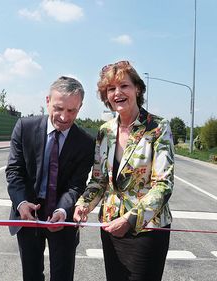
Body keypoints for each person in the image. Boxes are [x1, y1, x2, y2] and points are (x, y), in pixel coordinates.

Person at [73, 60, 175, 281]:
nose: (117, 93)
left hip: (146, 229)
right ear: (106, 96)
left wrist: (130, 219)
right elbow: (99, 181)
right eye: (111, 89)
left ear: (137, 89)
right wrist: (83, 204)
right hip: (111, 227)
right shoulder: (105, 131)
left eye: (124, 86)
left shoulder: (158, 127)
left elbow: (163, 185)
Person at [6, 76, 95, 281]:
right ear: (47, 101)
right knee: (31, 275)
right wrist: (21, 203)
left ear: (80, 108)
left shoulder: (86, 143)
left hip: (63, 218)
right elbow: (14, 171)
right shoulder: (24, 127)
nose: (64, 117)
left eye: (71, 111)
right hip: (28, 214)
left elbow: (76, 185)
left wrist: (63, 210)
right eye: (58, 108)